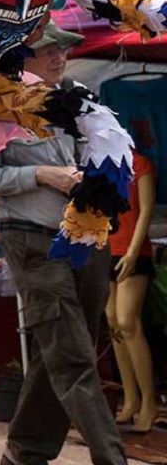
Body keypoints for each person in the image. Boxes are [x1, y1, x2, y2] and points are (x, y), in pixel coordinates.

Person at [0, 25, 127, 465]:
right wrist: (40, 175)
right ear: (20, 59)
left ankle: (23, 453)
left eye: (63, 49)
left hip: (88, 236)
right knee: (72, 357)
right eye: (47, 51)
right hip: (32, 240)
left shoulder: (79, 97)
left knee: (62, 350)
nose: (60, 57)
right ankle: (112, 459)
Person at [109, 120, 157, 433]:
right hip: (107, 249)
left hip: (133, 252)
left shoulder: (141, 165)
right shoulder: (103, 167)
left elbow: (145, 212)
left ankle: (150, 401)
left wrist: (133, 251)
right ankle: (130, 400)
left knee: (128, 321)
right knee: (113, 322)